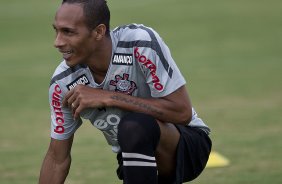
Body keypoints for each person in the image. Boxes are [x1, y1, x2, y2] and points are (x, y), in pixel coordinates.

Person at [38, 0, 212, 183]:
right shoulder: (63, 83)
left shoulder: (139, 43)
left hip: (186, 144)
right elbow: (57, 159)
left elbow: (182, 112)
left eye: (68, 32)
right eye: (56, 31)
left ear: (98, 32)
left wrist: (109, 97)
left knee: (133, 126)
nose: (57, 42)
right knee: (131, 130)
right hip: (132, 156)